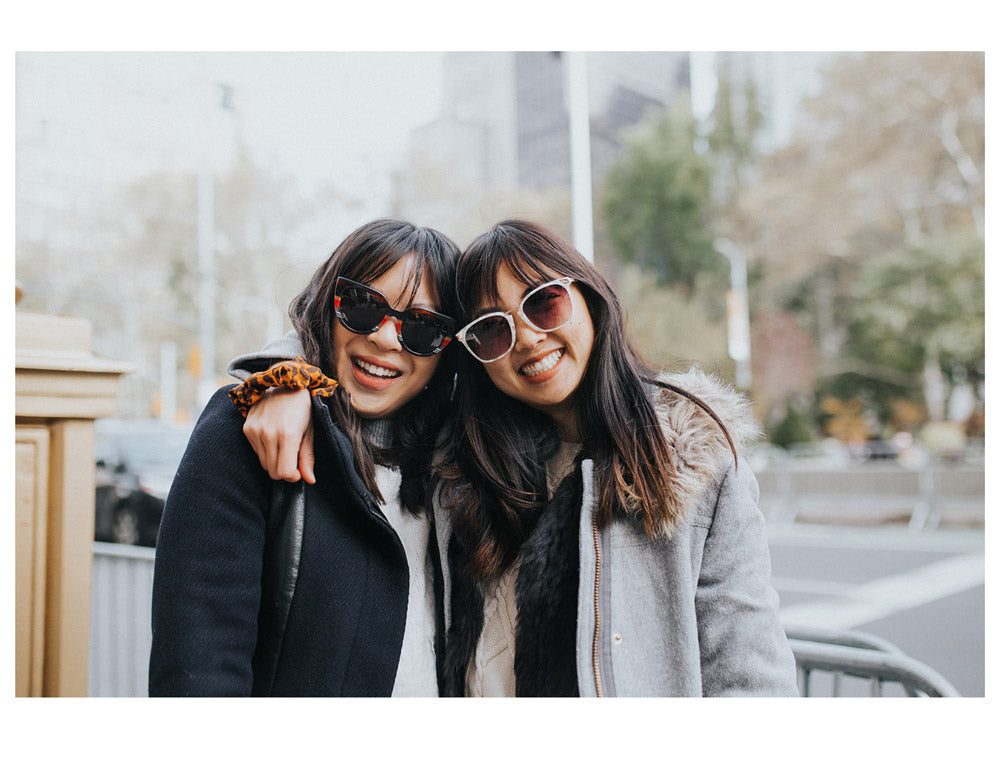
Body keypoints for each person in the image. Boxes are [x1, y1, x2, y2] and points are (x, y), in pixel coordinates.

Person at [234, 219, 799, 697]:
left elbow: (752, 678)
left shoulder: (688, 460)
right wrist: (284, 378)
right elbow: (355, 326)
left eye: (544, 302)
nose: (526, 337)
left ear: (590, 299)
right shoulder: (464, 464)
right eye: (491, 331)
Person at [148, 218, 460, 696]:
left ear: (449, 350)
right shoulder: (245, 430)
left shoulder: (461, 462)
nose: (386, 338)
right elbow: (199, 667)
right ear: (326, 302)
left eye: (422, 327)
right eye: (362, 306)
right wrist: (281, 376)